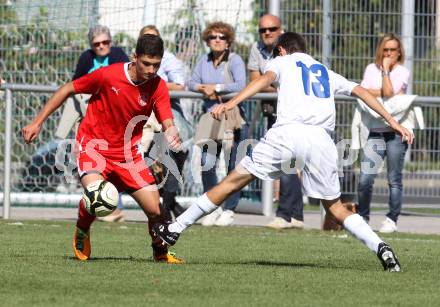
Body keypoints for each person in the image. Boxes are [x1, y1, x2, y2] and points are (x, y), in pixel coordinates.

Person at [153, 32, 415, 272]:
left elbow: (265, 79)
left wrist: (230, 103)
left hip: (287, 133)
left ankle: (175, 228)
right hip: (321, 139)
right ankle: (381, 247)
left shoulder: (282, 62)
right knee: (334, 207)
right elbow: (360, 91)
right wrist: (392, 122)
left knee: (232, 181)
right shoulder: (324, 70)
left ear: (281, 51)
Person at [22, 34, 184, 264]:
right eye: (146, 63)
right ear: (135, 57)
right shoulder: (109, 75)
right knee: (99, 195)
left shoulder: (157, 85)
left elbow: (167, 119)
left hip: (128, 154)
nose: (151, 69)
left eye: (156, 65)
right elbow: (68, 88)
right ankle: (82, 228)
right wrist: (37, 122)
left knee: (156, 210)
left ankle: (160, 253)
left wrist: (171, 131)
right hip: (94, 148)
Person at [55, 24, 129, 222]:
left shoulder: (119, 55)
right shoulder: (86, 58)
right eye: (97, 44)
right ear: (91, 45)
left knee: (113, 160)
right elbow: (76, 84)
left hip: (112, 116)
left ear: (111, 43)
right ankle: (101, 208)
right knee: (89, 160)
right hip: (90, 115)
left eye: (106, 42)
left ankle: (112, 207)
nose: (102, 47)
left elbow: (125, 85)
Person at [188, 21, 247, 226]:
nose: (217, 41)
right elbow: (191, 82)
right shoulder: (203, 61)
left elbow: (241, 85)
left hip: (231, 116)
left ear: (228, 41)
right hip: (210, 117)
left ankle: (230, 209)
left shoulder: (235, 60)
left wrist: (218, 87)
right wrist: (203, 88)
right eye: (213, 37)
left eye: (221, 37)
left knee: (234, 165)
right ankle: (211, 206)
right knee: (207, 163)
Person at [248, 14, 304, 230]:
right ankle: (296, 215)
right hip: (272, 110)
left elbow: (294, 81)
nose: (267, 33)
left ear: (281, 30)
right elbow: (256, 81)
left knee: (288, 162)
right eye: (263, 30)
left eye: (272, 29)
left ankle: (285, 214)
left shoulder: (291, 48)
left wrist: (273, 84)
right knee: (289, 163)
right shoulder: (256, 49)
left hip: (293, 113)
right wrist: (276, 86)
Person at [356, 34, 411, 233]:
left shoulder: (403, 71)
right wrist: (380, 90)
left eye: (392, 50)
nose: (388, 54)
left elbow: (387, 92)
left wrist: (386, 72)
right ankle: (362, 217)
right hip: (376, 131)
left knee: (394, 179)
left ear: (399, 53)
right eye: (385, 50)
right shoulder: (371, 69)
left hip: (397, 133)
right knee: (365, 179)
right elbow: (362, 91)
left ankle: (391, 219)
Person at [139, 25, 189, 218]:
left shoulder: (169, 60)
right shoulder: (135, 60)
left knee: (175, 155)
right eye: (146, 38)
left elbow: (179, 85)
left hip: (165, 111)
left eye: (153, 38)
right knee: (142, 158)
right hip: (143, 112)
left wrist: (154, 83)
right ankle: (167, 206)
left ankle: (167, 206)